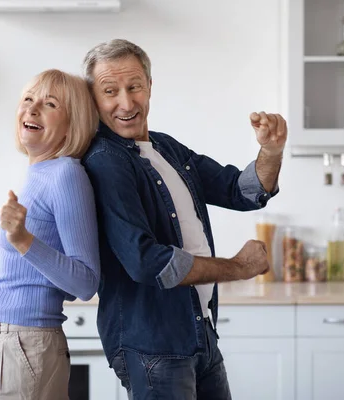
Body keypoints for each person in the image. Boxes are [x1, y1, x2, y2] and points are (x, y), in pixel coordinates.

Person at [80, 39, 287, 399]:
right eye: (110, 91)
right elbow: (146, 261)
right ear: (93, 98)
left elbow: (242, 190)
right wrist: (238, 267)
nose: (125, 103)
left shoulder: (167, 148)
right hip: (153, 346)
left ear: (150, 86)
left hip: (199, 331)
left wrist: (270, 150)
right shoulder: (106, 160)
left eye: (134, 87)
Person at [0, 69, 100, 400]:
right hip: (1, 338)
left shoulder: (66, 175)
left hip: (22, 341)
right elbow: (41, 275)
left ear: (73, 123)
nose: (32, 109)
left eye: (49, 104)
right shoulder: (39, 173)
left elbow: (86, 283)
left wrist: (21, 240)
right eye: (28, 100)